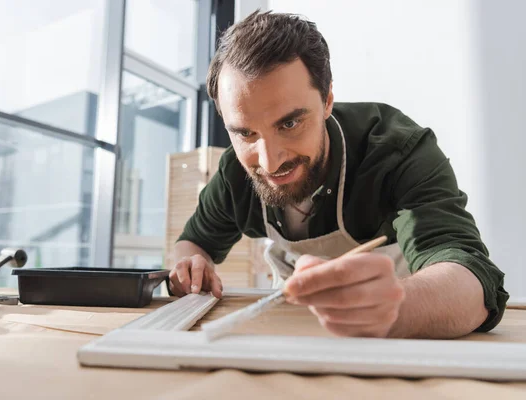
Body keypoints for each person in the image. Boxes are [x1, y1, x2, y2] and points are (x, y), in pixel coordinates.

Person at [168, 10, 508, 339]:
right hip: (289, 336)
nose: (269, 163)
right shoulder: (235, 173)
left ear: (328, 99)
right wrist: (191, 266)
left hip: (401, 337)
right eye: (245, 134)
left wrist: (394, 311)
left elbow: (473, 282)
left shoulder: (398, 152)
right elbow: (194, 243)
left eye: (289, 123)